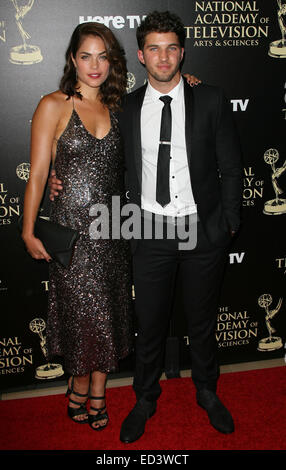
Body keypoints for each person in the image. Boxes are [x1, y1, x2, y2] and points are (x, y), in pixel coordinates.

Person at [21, 22, 135, 431]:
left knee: (109, 313)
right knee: (81, 316)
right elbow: (37, 174)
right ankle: (80, 383)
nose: (95, 65)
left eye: (103, 56)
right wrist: (27, 229)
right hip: (72, 233)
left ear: (112, 61)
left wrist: (187, 80)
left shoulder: (120, 106)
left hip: (113, 231)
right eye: (86, 55)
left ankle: (97, 391)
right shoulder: (53, 104)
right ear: (72, 58)